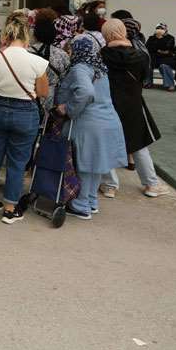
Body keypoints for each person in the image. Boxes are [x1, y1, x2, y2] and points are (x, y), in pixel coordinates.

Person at [0, 19, 49, 224]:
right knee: (17, 161)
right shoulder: (38, 62)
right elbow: (43, 92)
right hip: (25, 113)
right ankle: (10, 208)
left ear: (6, 36)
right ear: (26, 37)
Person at [56, 38, 127, 219]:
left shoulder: (80, 68)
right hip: (108, 121)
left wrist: (69, 109)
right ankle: (91, 201)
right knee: (96, 165)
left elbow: (86, 92)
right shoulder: (100, 69)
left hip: (89, 124)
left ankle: (80, 205)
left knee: (84, 165)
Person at [99, 19, 169, 199]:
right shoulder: (139, 56)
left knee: (106, 143)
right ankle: (151, 184)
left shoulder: (101, 55)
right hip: (133, 104)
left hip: (108, 103)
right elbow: (145, 79)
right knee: (139, 144)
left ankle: (109, 185)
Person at [28, 8, 70, 113]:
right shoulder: (62, 55)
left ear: (35, 34)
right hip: (52, 100)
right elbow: (66, 79)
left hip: (29, 97)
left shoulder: (26, 53)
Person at [145, 23, 176, 91]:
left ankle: (170, 85)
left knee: (164, 66)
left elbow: (168, 48)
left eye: (162, 28)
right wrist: (159, 50)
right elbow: (148, 48)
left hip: (165, 58)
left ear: (165, 30)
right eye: (158, 28)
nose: (159, 30)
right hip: (153, 57)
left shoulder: (170, 38)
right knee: (148, 64)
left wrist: (160, 39)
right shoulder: (151, 38)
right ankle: (148, 82)